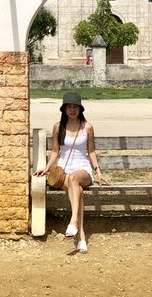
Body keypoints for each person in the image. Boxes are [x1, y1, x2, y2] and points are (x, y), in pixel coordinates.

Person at [34, 91, 107, 253]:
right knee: (77, 191)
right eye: (69, 107)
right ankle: (81, 237)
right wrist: (46, 169)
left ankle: (73, 221)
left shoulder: (87, 127)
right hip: (63, 171)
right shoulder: (57, 127)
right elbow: (54, 151)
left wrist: (98, 171)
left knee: (75, 179)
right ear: (64, 109)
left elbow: (91, 151)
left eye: (75, 107)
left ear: (80, 109)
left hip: (83, 171)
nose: (72, 110)